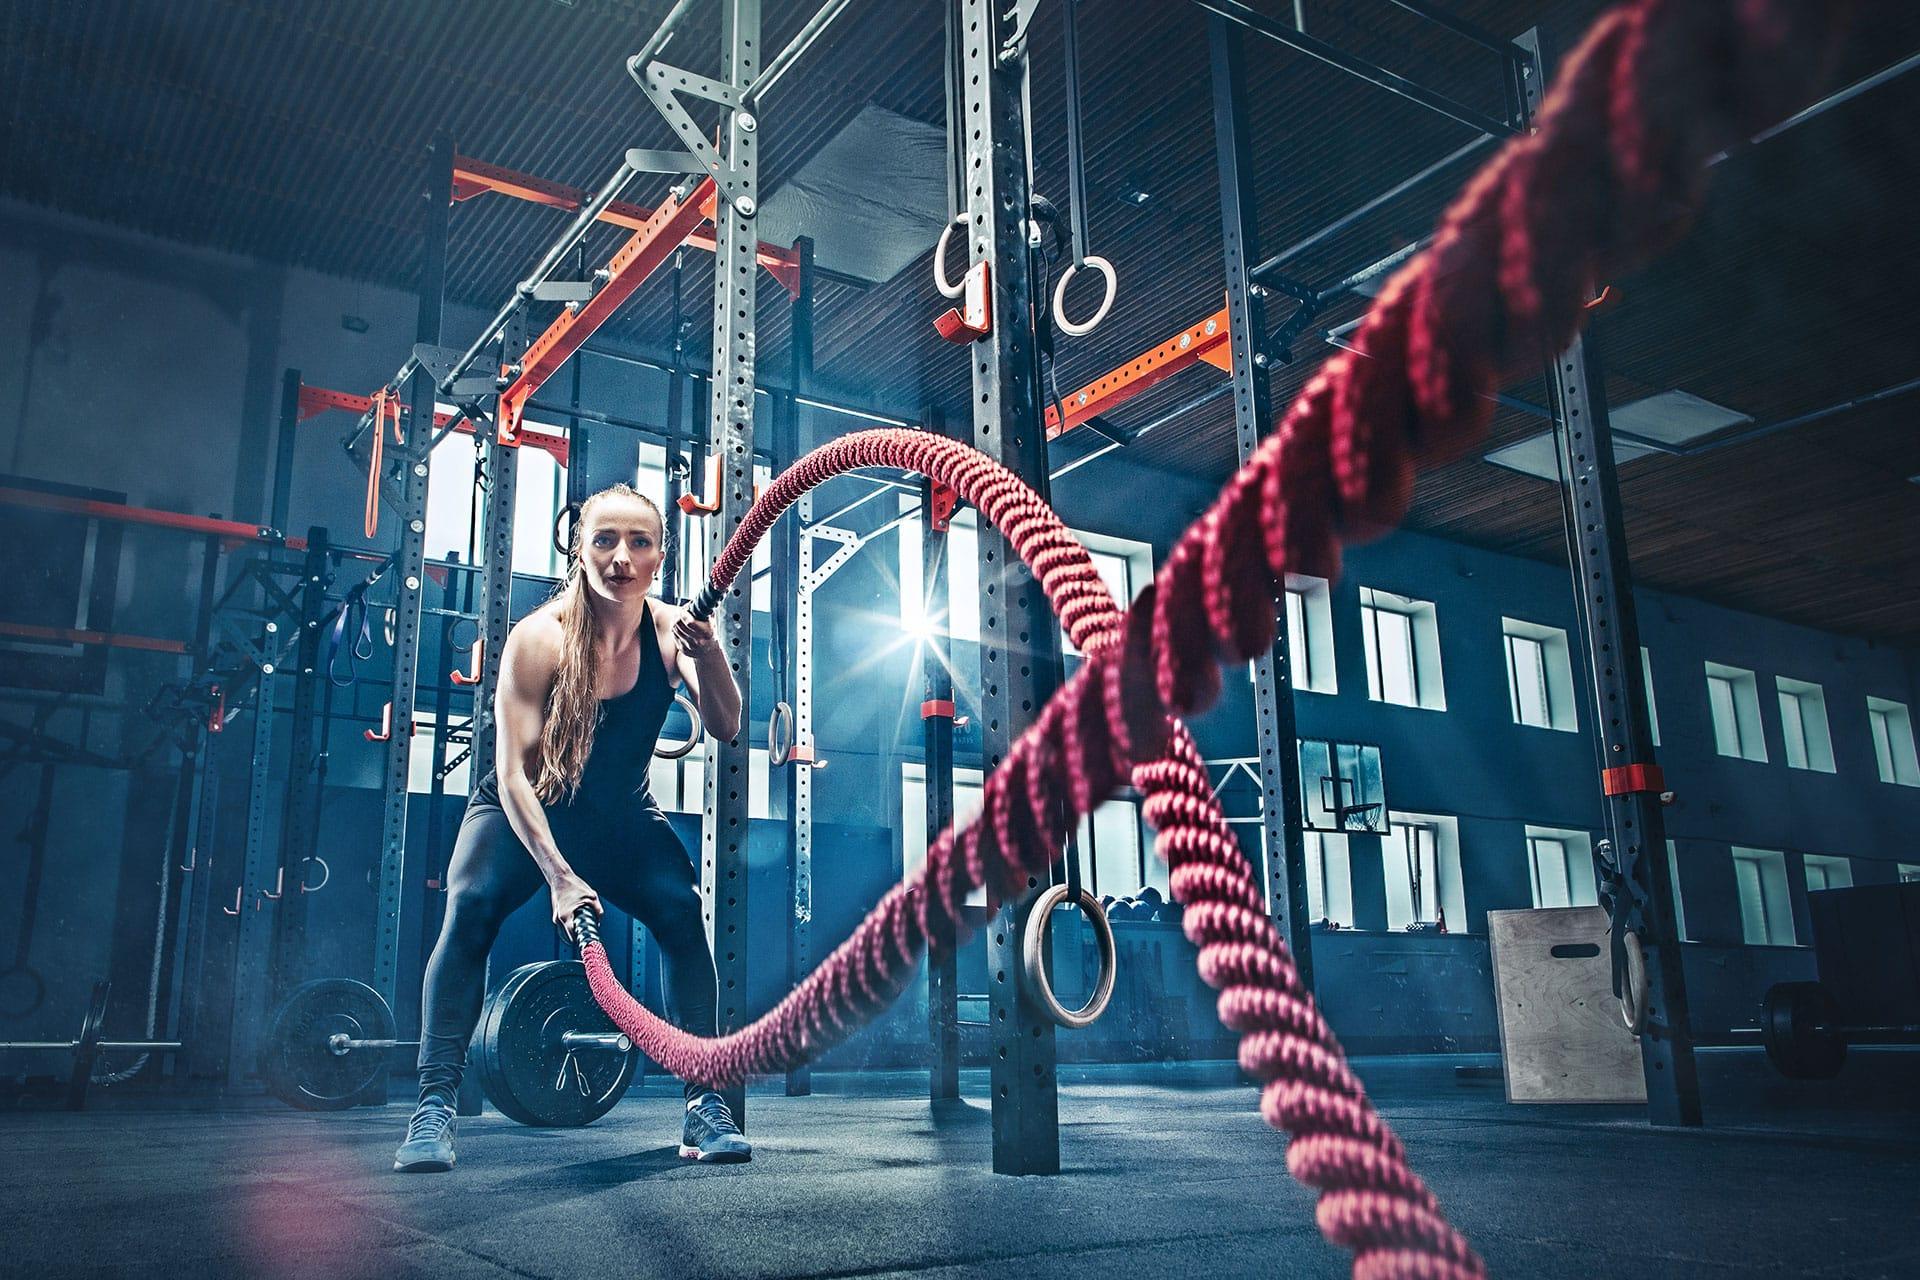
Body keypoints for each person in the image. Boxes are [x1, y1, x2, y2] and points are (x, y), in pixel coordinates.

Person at [395, 482, 750, 1172]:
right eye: (605, 540)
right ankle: (433, 1106)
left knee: (681, 910)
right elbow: (513, 774)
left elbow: (727, 725)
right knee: (469, 907)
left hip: (618, 815)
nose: (621, 556)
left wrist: (708, 655)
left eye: (638, 542)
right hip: (524, 808)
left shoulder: (674, 632)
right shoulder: (540, 638)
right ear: (579, 549)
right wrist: (559, 876)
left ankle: (704, 1103)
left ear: (660, 556)